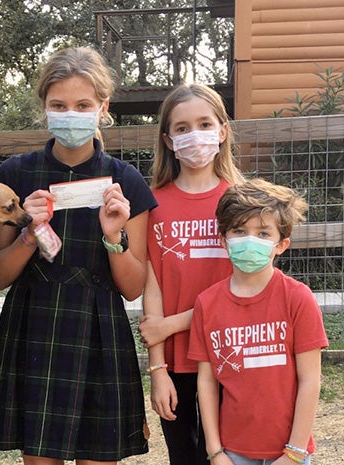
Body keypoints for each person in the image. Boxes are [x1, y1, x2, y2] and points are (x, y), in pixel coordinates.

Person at [0, 46, 156, 464]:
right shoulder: (16, 175)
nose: (70, 113)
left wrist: (115, 238)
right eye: (59, 105)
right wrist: (28, 236)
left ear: (102, 108)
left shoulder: (126, 181)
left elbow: (132, 287)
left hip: (100, 333)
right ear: (44, 109)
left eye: (82, 105)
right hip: (35, 326)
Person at [187, 178, 328, 465]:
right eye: (240, 230)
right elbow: (207, 381)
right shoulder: (207, 303)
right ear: (224, 240)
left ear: (281, 244)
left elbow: (310, 380)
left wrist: (295, 452)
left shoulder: (298, 299)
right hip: (233, 452)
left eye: (263, 233)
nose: (250, 240)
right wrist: (215, 452)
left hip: (289, 451)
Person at [141, 83, 245, 465]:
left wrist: (172, 325)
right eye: (182, 128)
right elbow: (152, 294)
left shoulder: (242, 204)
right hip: (176, 365)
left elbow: (246, 292)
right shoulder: (151, 205)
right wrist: (157, 369)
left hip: (233, 356)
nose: (194, 135)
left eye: (204, 123)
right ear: (168, 140)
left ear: (222, 131)